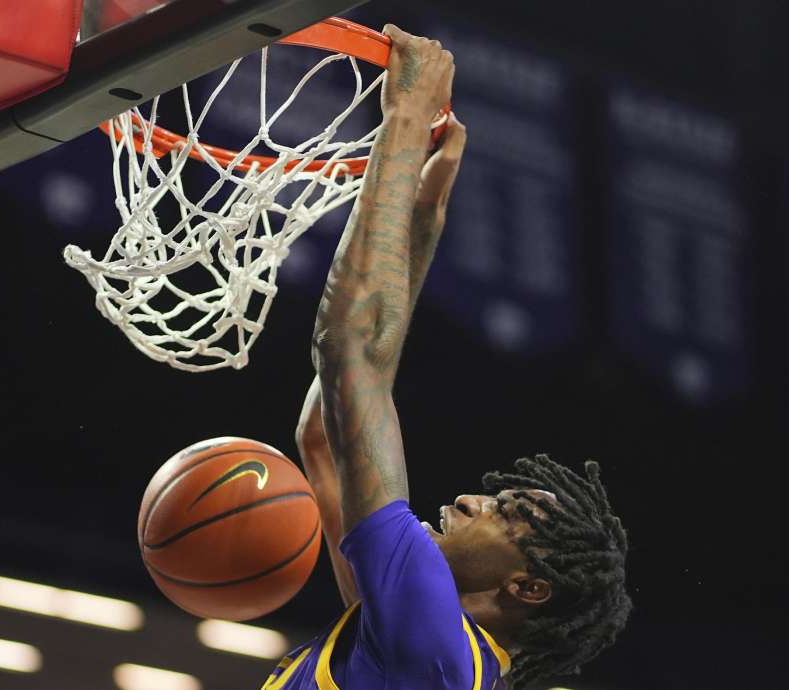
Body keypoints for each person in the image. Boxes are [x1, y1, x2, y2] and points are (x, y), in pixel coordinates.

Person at [261, 25, 631, 690]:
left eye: (505, 512)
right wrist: (421, 221)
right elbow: (323, 441)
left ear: (528, 587)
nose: (468, 500)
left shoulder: (434, 649)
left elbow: (348, 351)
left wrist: (403, 117)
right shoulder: (423, 647)